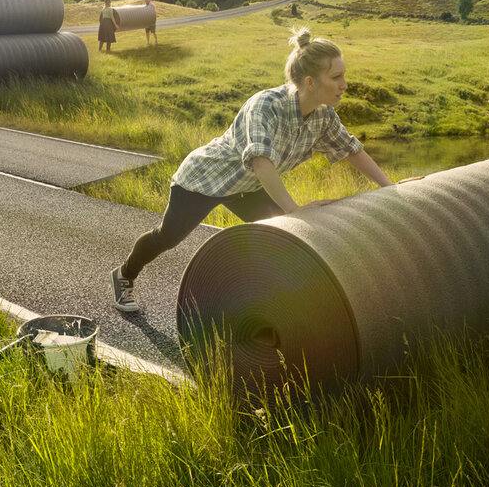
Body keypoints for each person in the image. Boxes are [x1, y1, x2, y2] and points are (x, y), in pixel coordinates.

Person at [110, 27, 393, 312]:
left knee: (286, 237)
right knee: (166, 237)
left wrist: (391, 189)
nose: (345, 84)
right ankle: (124, 275)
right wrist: (294, 208)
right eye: (336, 77)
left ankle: (265, 303)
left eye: (344, 75)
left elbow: (351, 150)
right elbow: (260, 161)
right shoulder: (265, 105)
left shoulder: (324, 116)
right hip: (204, 180)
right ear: (310, 81)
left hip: (249, 188)